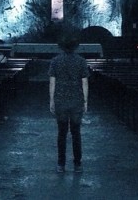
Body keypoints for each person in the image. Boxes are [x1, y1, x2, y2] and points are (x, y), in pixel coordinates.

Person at [49, 34, 89, 173]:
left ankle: (61, 164)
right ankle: (77, 164)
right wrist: (85, 100)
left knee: (62, 133)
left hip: (60, 99)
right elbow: (84, 81)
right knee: (76, 133)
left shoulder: (55, 61)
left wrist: (51, 100)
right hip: (76, 100)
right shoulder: (81, 61)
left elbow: (52, 82)